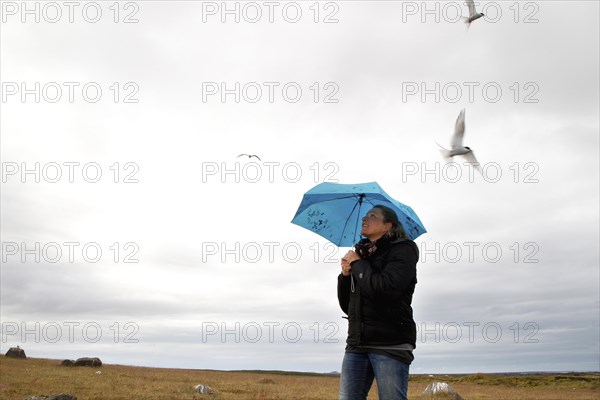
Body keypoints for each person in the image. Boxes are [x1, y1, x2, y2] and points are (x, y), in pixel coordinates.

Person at [337, 205, 420, 400]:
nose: (365, 218)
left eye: (373, 216)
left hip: (390, 343)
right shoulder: (363, 254)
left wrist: (357, 264)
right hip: (357, 344)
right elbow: (347, 305)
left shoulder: (404, 250)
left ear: (388, 225)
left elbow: (385, 289)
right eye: (365, 215)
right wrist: (346, 275)